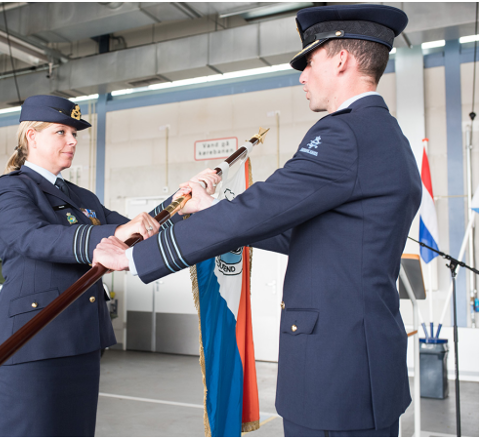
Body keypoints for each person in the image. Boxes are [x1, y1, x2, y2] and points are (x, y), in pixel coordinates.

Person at [93, 4, 415, 436]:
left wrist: (134, 258)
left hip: (335, 372)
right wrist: (211, 208)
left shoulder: (344, 133)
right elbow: (306, 232)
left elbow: (261, 208)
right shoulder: (386, 134)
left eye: (309, 61)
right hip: (361, 363)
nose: (302, 76)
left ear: (341, 59)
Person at [0, 95, 217, 436]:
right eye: (61, 132)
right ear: (32, 136)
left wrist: (182, 203)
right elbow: (32, 238)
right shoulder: (10, 189)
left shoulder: (83, 198)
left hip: (81, 339)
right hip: (32, 341)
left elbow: (138, 231)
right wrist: (111, 236)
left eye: (74, 133)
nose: (73, 140)